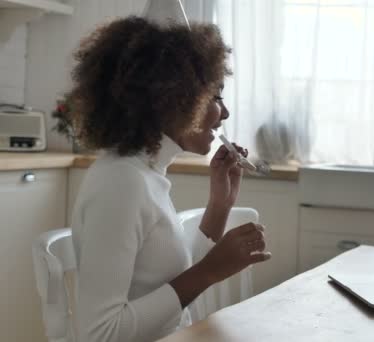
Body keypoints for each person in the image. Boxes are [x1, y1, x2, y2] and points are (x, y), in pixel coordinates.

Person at [67, 17, 271, 342]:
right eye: (216, 97)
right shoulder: (121, 183)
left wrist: (220, 205)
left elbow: (164, 282)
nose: (225, 113)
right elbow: (100, 334)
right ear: (173, 99)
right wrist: (209, 272)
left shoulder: (144, 173)